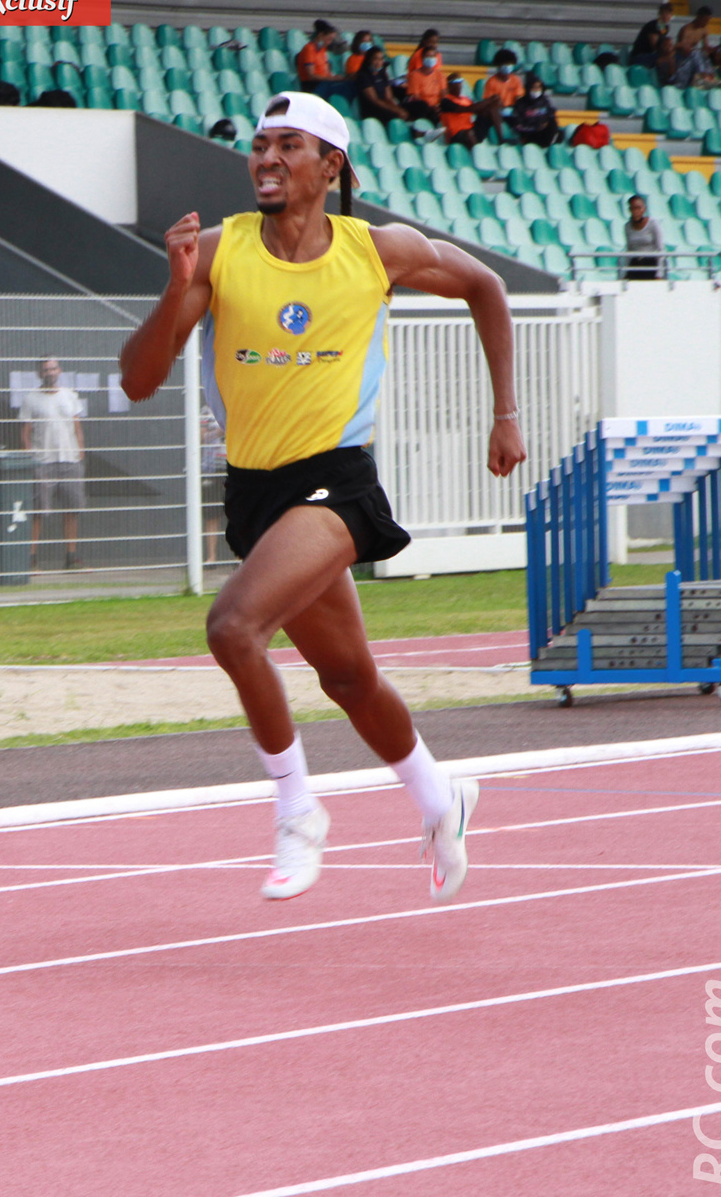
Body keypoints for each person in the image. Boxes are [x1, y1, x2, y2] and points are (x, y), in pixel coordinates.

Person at [119, 91, 525, 903]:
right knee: (348, 678)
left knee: (233, 627)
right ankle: (440, 799)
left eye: (288, 146)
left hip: (336, 484)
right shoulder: (224, 252)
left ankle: (298, 808)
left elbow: (485, 286)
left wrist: (505, 412)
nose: (266, 158)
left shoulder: (378, 250)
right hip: (256, 495)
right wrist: (175, 288)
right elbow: (137, 382)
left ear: (329, 165)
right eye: (260, 145)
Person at [20, 357, 86, 571]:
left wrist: (80, 452)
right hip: (43, 463)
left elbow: (77, 427)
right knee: (38, 512)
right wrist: (31, 457)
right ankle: (30, 560)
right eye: (45, 369)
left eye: (53, 368)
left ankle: (71, 558)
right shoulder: (31, 399)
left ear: (60, 370)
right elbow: (25, 432)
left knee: (72, 510)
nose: (50, 372)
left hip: (70, 461)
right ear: (40, 373)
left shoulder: (70, 396)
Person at [439, 72, 505, 147]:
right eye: (456, 82)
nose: (459, 84)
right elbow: (467, 109)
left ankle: (501, 139)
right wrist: (488, 101)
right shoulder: (445, 101)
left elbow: (478, 110)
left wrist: (494, 102)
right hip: (455, 135)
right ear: (449, 86)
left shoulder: (466, 99)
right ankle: (476, 152)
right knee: (468, 133)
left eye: (460, 81)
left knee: (491, 109)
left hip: (471, 130)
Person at [355, 46, 408, 126]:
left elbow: (388, 97)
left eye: (381, 59)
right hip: (372, 109)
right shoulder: (363, 76)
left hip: (385, 106)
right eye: (375, 59)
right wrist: (395, 110)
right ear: (369, 60)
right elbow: (374, 100)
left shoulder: (382, 74)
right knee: (395, 116)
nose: (378, 62)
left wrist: (397, 109)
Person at [201, 406, 227, 563]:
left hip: (235, 467)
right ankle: (211, 557)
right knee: (211, 514)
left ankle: (240, 558)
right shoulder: (207, 410)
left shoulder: (236, 404)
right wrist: (219, 432)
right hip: (212, 469)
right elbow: (199, 436)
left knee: (237, 513)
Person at [296, 20, 347, 98]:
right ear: (321, 35)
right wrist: (331, 79)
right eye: (328, 39)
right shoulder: (309, 49)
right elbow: (311, 75)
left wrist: (335, 77)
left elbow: (326, 71)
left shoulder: (322, 50)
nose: (329, 43)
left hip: (324, 83)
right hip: (313, 86)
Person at [673, 7, 721, 88]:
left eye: (708, 21)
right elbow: (682, 47)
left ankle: (711, 76)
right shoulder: (686, 29)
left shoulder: (704, 30)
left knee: (703, 54)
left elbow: (705, 46)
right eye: (705, 20)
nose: (706, 23)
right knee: (696, 53)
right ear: (699, 17)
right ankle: (703, 75)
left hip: (694, 56)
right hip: (682, 57)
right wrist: (692, 49)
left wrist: (712, 49)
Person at [509, 74, 559, 147]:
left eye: (538, 87)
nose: (536, 90)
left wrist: (543, 125)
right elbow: (517, 125)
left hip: (543, 133)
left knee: (554, 126)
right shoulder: (520, 103)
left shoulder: (544, 102)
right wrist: (535, 127)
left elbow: (549, 116)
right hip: (529, 134)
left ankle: (550, 145)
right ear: (528, 88)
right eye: (533, 88)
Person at [404, 42, 447, 126]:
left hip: (437, 107)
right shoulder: (415, 75)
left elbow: (444, 94)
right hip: (423, 106)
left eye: (433, 56)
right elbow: (415, 97)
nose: (431, 59)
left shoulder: (440, 75)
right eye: (428, 56)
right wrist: (431, 107)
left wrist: (439, 106)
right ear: (422, 58)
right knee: (423, 107)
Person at [623, 195, 664, 280]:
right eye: (633, 208)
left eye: (639, 208)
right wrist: (626, 271)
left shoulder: (653, 224)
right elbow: (629, 249)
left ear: (644, 209)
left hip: (650, 262)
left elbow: (660, 249)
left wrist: (659, 273)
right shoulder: (627, 226)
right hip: (635, 263)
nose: (636, 211)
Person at [629, 2, 674, 68]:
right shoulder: (653, 26)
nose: (666, 16)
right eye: (664, 13)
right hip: (640, 56)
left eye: (669, 14)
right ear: (660, 14)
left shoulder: (665, 28)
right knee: (666, 59)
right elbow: (654, 46)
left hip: (652, 55)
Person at [482, 49, 525, 116]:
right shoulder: (491, 82)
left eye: (509, 63)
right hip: (497, 111)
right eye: (505, 63)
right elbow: (489, 101)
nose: (507, 66)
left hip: (512, 109)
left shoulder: (516, 80)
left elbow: (518, 98)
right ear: (499, 65)